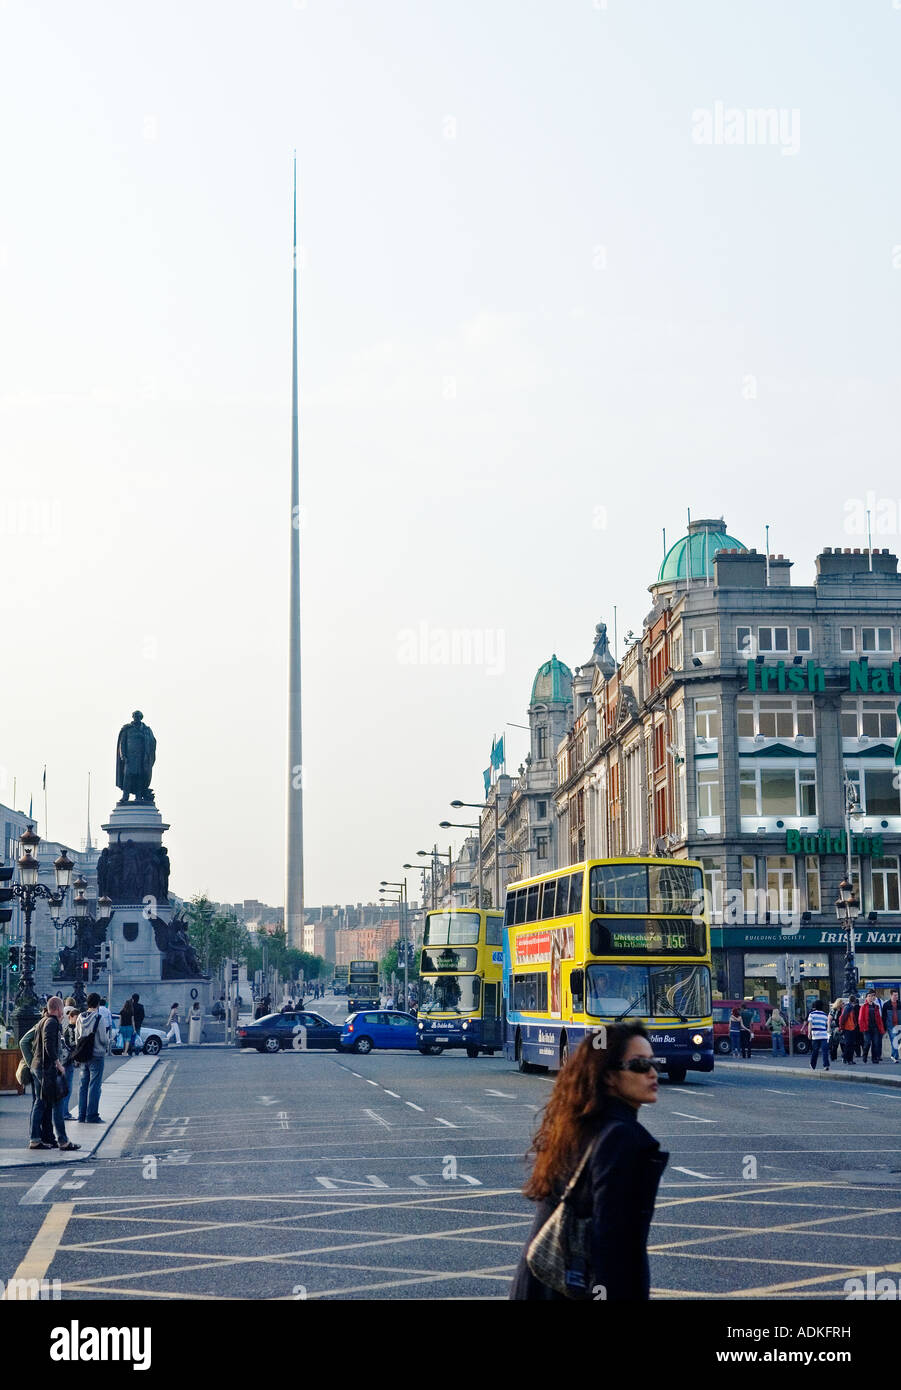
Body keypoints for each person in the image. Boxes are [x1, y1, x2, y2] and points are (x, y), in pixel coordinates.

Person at [510, 1022, 668, 1301]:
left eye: (653, 1062)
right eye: (640, 1065)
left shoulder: (576, 1126)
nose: (653, 1072)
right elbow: (612, 1241)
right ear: (608, 1075)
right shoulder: (622, 1139)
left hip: (541, 1287)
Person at [30, 998, 80, 1151]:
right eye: (62, 1009)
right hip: (47, 1069)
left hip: (38, 1066)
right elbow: (48, 1044)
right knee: (57, 1102)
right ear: (58, 1009)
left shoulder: (43, 1021)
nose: (64, 1013)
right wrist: (58, 1064)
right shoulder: (52, 1023)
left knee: (40, 1102)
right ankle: (63, 1141)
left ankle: (35, 1139)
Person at [75, 993, 108, 1123]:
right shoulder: (99, 1018)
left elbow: (77, 1036)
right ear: (98, 1004)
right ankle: (92, 1115)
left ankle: (81, 1115)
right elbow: (103, 1039)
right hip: (97, 1055)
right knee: (94, 1085)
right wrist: (108, 1042)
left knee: (83, 1085)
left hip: (84, 1055)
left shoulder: (79, 1017)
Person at [61, 1005, 80, 1120]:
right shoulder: (71, 1029)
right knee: (68, 1088)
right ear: (71, 1017)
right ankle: (65, 1112)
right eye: (76, 1018)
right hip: (68, 1061)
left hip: (66, 1060)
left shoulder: (67, 1028)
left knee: (66, 1087)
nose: (78, 1021)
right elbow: (72, 1045)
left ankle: (63, 1112)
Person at [858, 989, 885, 1063]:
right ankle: (865, 1055)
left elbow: (879, 1019)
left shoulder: (876, 1007)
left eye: (872, 996)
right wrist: (862, 1028)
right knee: (867, 1043)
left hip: (875, 1028)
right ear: (866, 998)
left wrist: (881, 1029)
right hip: (867, 1028)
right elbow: (860, 1019)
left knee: (876, 1043)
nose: (871, 997)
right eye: (869, 996)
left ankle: (874, 1058)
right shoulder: (863, 1007)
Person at [806, 1001, 830, 1071]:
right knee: (825, 1051)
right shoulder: (825, 1015)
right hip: (824, 1035)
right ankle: (826, 1065)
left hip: (815, 1035)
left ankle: (813, 1065)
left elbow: (810, 1024)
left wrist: (809, 1033)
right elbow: (827, 1025)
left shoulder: (812, 1014)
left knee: (815, 1051)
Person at [882, 987, 901, 1063]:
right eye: (895, 995)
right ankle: (896, 1057)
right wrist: (884, 1027)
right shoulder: (886, 1005)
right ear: (891, 995)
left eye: (897, 995)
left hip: (899, 1026)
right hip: (891, 1026)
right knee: (895, 1040)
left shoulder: (900, 1004)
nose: (896, 997)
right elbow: (884, 1017)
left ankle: (893, 1055)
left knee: (898, 1041)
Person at [840, 995, 860, 1065]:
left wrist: (842, 1027)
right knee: (850, 1044)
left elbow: (843, 1018)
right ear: (854, 1001)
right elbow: (843, 1018)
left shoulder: (848, 1007)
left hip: (848, 1028)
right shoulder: (849, 1007)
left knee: (849, 1044)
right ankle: (847, 1058)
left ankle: (847, 1058)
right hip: (849, 1028)